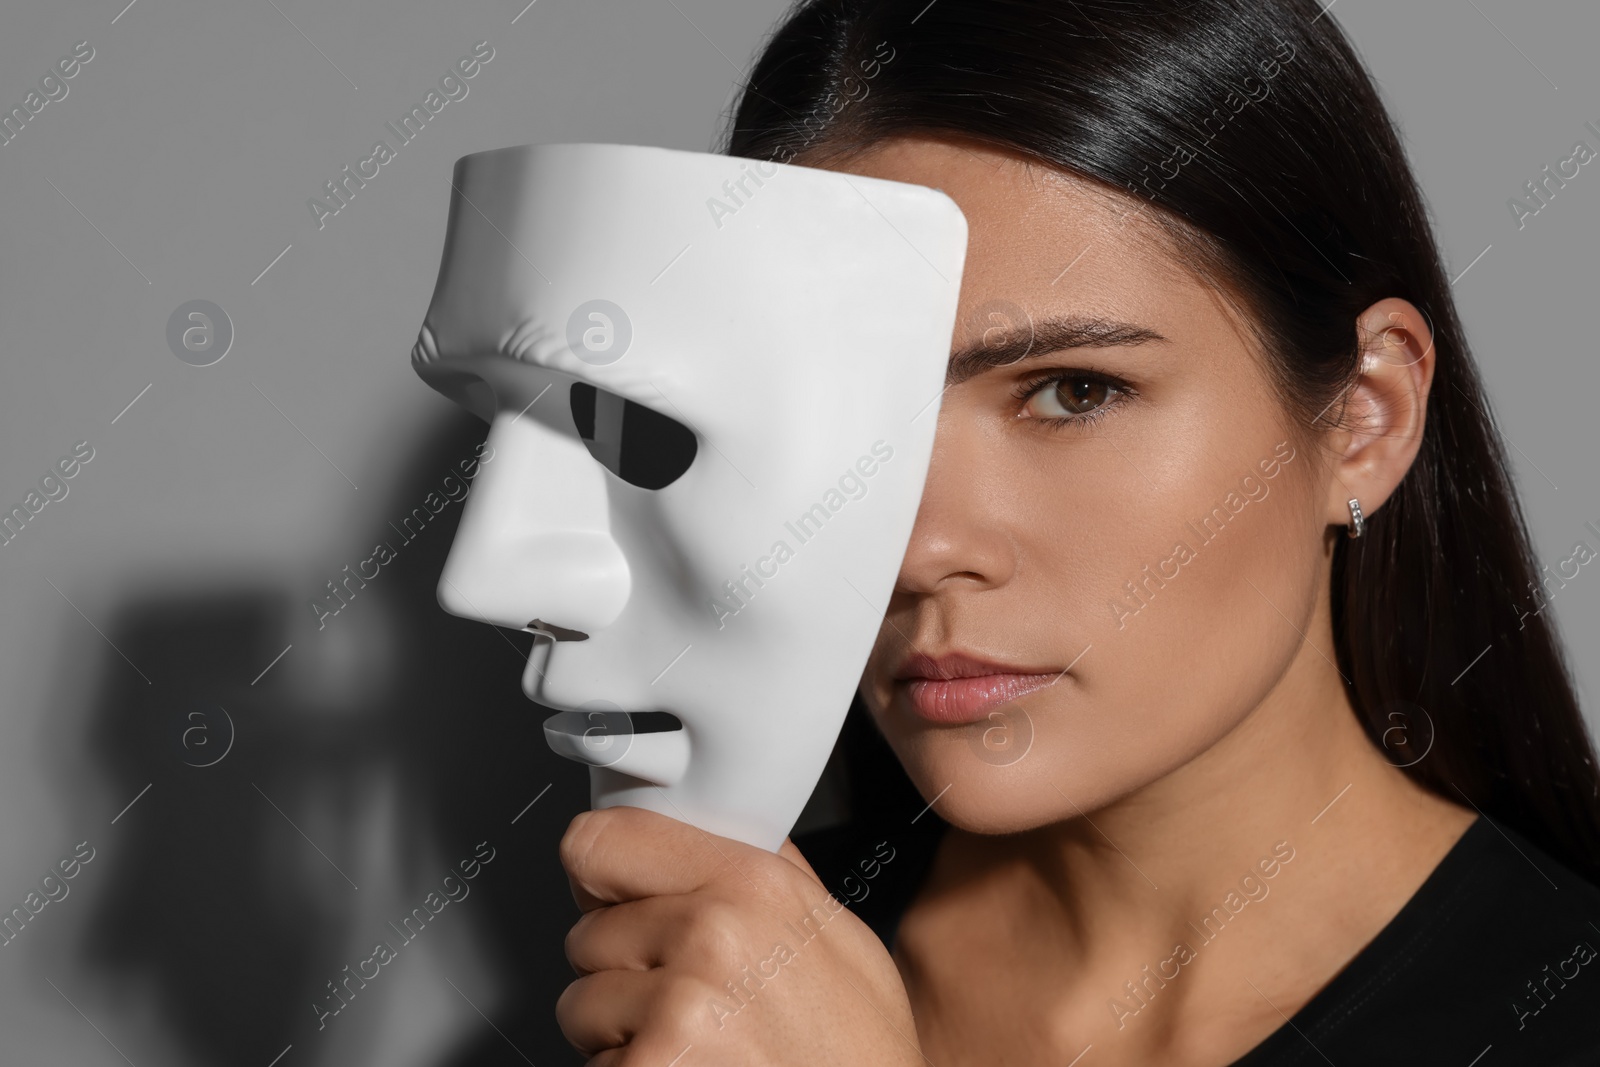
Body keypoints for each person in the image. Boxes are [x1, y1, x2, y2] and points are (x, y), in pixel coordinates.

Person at [555, 2, 1600, 1063]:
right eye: (840, 418)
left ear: (1361, 418)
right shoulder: (703, 979)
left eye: (1071, 391)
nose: (918, 550)